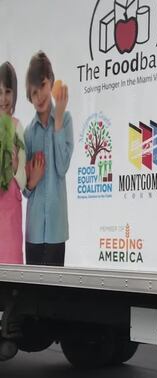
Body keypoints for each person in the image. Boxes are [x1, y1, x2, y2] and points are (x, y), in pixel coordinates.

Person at [23, 51, 72, 266]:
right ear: (29, 97)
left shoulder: (66, 119)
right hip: (33, 231)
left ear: (51, 82)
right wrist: (31, 182)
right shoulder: (28, 133)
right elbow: (24, 188)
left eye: (42, 86)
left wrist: (58, 120)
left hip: (55, 229)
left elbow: (62, 168)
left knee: (54, 296)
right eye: (33, 93)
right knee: (32, 296)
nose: (39, 96)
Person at [0, 62, 25, 264]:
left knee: (10, 264)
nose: (3, 98)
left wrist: (16, 165)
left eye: (7, 92)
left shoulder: (17, 126)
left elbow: (23, 179)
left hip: (9, 211)